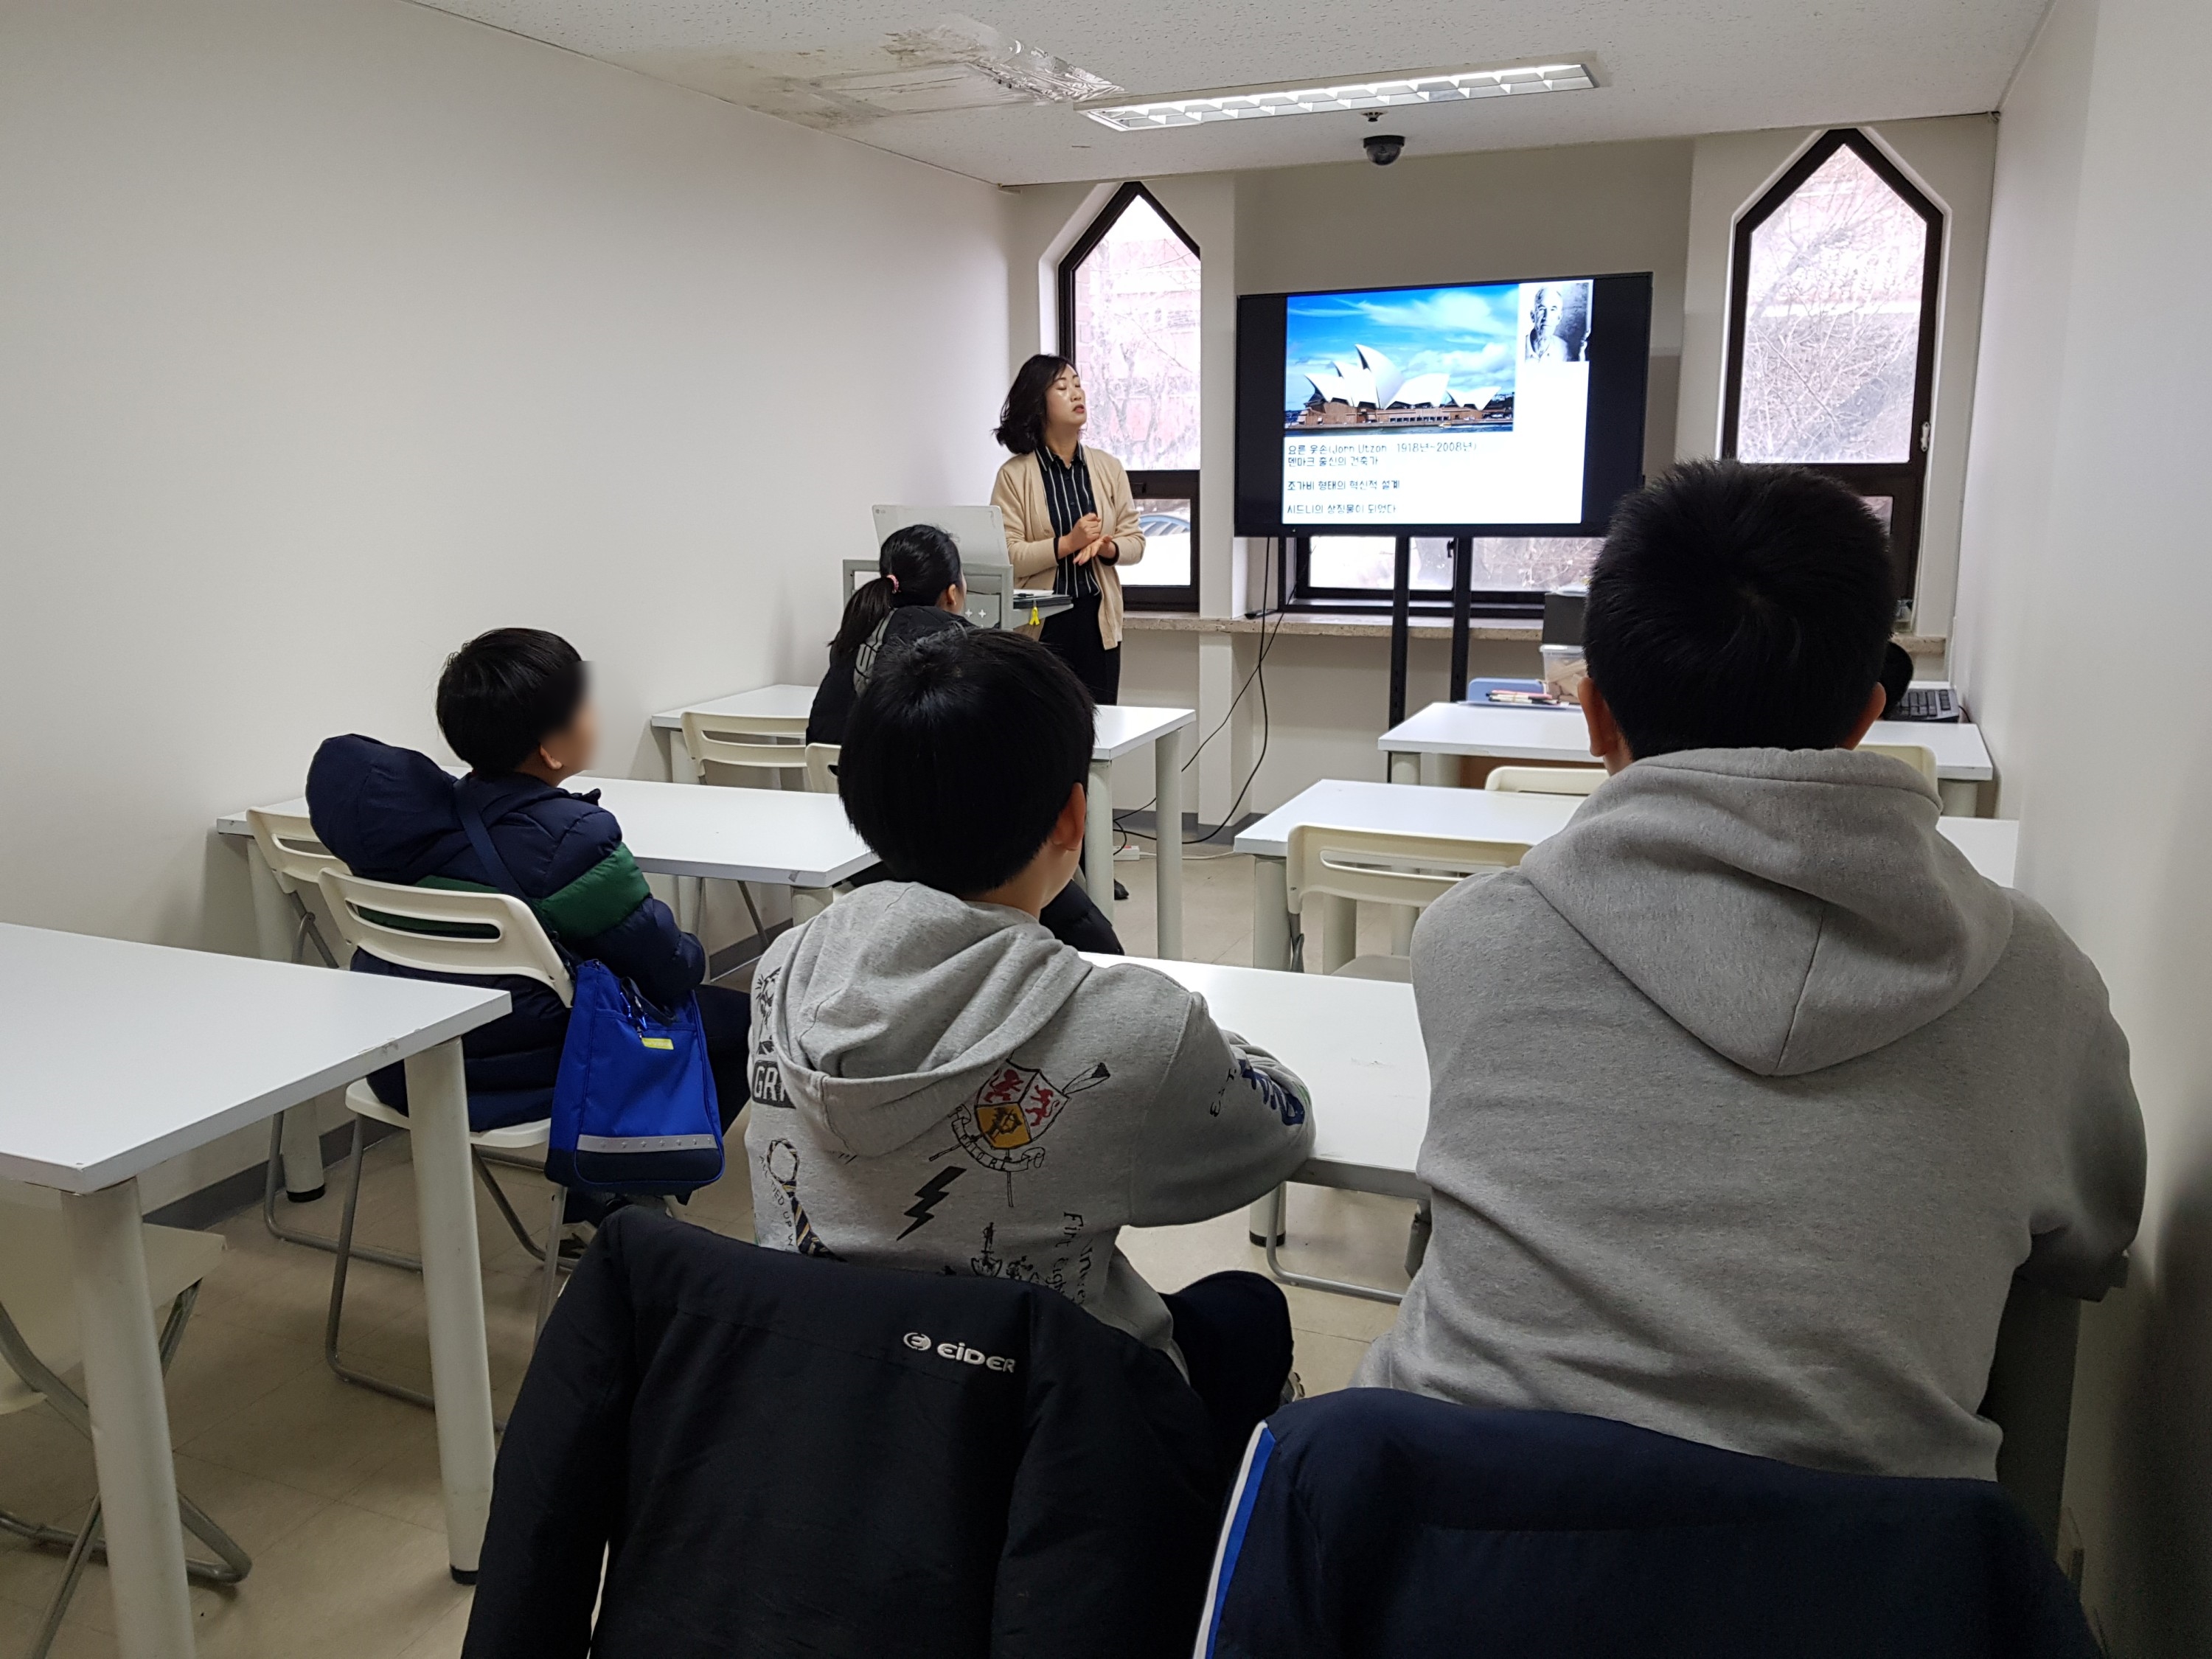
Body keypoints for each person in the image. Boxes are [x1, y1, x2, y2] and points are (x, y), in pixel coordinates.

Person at [1356, 461, 2144, 1481]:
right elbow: (2092, 1244)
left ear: (1594, 715)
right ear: (1867, 716)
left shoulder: (1470, 938)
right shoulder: (2039, 979)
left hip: (1456, 1534)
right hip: (1866, 1560)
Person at [747, 626, 1314, 1473]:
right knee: (1246, 1308)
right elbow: (1279, 1130)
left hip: (830, 1403)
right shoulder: (1131, 1025)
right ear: (1074, 816)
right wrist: (1199, 1039)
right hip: (1051, 1438)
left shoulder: (783, 970)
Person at [307, 628, 751, 1138]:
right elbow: (670, 969)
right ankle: (633, 1173)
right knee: (750, 1022)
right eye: (583, 702)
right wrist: (690, 949)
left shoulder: (408, 823)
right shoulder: (572, 839)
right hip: (528, 1074)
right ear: (552, 749)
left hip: (403, 1060)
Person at [810, 524, 1124, 955]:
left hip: (863, 852)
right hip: (970, 855)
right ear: (954, 592)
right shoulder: (967, 660)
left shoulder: (849, 645)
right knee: (1082, 925)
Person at [990, 355, 1144, 707]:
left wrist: (1106, 547)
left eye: (1078, 385)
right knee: (1043, 729)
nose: (1077, 394)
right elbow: (1009, 556)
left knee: (1100, 727)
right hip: (1040, 625)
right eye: (1062, 387)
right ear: (1038, 402)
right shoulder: (1014, 475)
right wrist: (1069, 543)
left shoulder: (1108, 467)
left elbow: (1135, 541)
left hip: (1097, 621)